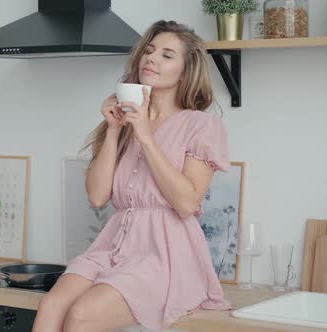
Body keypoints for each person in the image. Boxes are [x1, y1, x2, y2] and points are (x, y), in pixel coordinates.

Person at [33, 20, 231, 332]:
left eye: (167, 55)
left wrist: (146, 137)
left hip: (163, 254)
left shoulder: (202, 126)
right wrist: (113, 131)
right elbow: (97, 196)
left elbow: (186, 203)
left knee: (82, 315)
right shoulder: (123, 120)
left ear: (186, 70)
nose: (151, 59)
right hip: (111, 246)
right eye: (149, 51)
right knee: (51, 305)